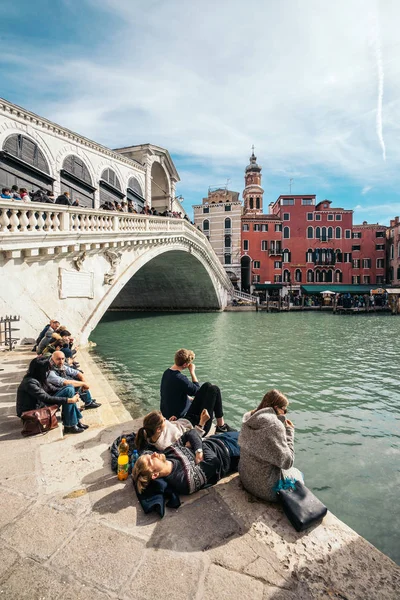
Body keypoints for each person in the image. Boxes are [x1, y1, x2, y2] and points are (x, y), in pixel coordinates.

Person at [238, 389, 303, 502]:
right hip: (264, 489)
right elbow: (288, 462)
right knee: (298, 474)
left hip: (245, 476)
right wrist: (289, 432)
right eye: (284, 410)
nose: (285, 413)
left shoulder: (249, 417)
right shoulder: (274, 426)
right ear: (277, 408)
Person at [133, 429, 240, 495]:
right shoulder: (184, 480)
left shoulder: (168, 453)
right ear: (155, 474)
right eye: (151, 460)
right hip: (230, 453)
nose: (154, 454)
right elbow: (213, 462)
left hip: (217, 438)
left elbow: (191, 433)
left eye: (150, 455)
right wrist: (197, 444)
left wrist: (198, 451)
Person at [160, 349, 234, 433]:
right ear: (185, 365)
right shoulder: (181, 379)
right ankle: (221, 426)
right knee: (214, 389)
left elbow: (174, 393)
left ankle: (221, 425)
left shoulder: (167, 373)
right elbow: (197, 391)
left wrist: (188, 399)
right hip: (185, 418)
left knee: (207, 385)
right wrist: (192, 372)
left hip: (170, 413)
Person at [16, 357, 88, 434]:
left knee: (69, 388)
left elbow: (52, 388)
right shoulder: (30, 383)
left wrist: (72, 394)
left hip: (40, 404)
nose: (48, 371)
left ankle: (74, 422)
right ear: (41, 370)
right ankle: (71, 424)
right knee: (69, 391)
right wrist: (69, 399)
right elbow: (46, 398)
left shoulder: (38, 378)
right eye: (47, 369)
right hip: (32, 410)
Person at [135, 408, 210, 452]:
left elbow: (166, 431)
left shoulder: (152, 433)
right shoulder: (166, 445)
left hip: (186, 420)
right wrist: (202, 422)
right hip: (196, 427)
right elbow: (191, 442)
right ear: (158, 429)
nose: (165, 419)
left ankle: (221, 425)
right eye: (164, 420)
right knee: (213, 391)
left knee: (206, 387)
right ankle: (221, 426)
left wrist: (171, 423)